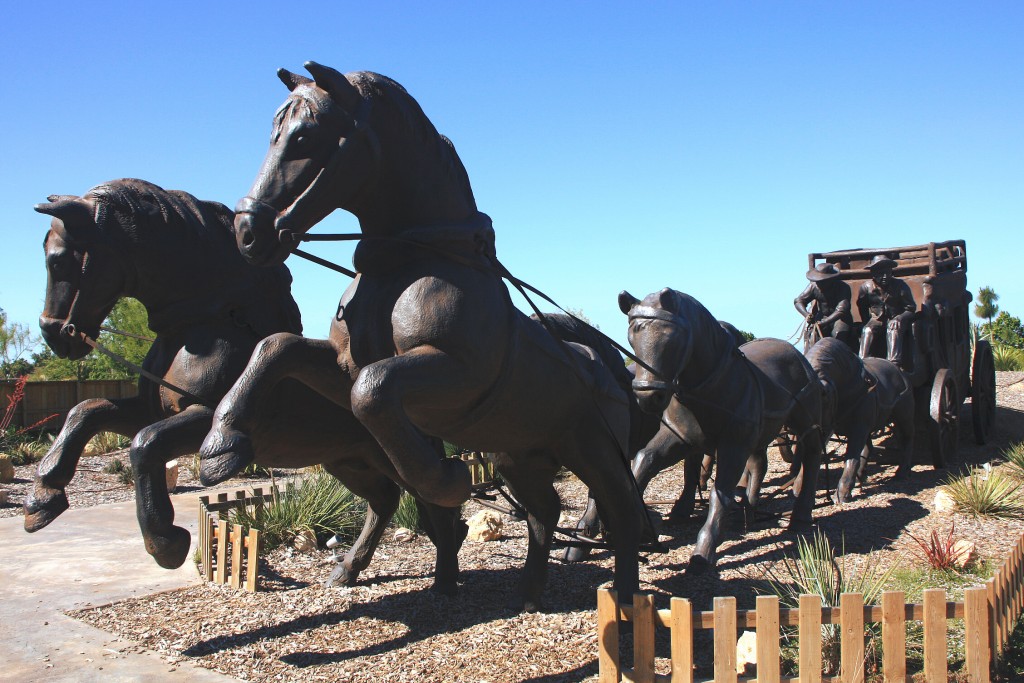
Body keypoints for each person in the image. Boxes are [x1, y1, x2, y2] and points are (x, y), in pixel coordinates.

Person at [856, 255, 917, 368]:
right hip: (877, 319)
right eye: (880, 273)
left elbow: (911, 308)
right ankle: (862, 363)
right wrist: (866, 321)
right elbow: (862, 306)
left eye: (888, 273)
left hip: (897, 319)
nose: (885, 276)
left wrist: (899, 318)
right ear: (873, 274)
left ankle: (894, 364)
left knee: (893, 328)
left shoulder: (900, 286)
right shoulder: (866, 287)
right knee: (867, 330)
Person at [794, 263, 853, 351]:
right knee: (813, 336)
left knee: (838, 335)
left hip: (840, 318)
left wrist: (825, 322)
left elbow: (842, 310)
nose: (819, 283)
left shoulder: (843, 287)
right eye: (817, 280)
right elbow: (799, 301)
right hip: (822, 317)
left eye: (822, 281)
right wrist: (806, 315)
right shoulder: (814, 286)